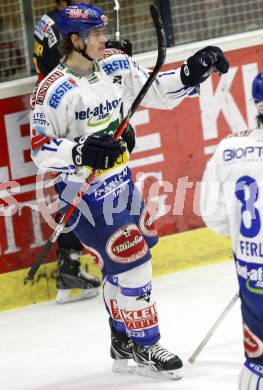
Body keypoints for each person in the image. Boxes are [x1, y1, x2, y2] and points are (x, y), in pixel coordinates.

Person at [30, 2, 229, 378]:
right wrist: (80, 150)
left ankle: (121, 339)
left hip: (123, 184)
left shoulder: (115, 64)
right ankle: (145, 344)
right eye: (96, 34)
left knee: (129, 260)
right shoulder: (52, 91)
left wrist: (192, 71)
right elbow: (40, 149)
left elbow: (157, 91)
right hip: (85, 195)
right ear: (75, 40)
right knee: (135, 262)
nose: (105, 39)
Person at [32, 0, 134, 304]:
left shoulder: (52, 20)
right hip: (64, 109)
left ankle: (73, 261)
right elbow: (65, 61)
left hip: (79, 99)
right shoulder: (55, 24)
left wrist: (107, 51)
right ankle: (71, 261)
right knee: (78, 184)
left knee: (87, 182)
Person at [200, 72, 263, 389]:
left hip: (251, 267)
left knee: (258, 361)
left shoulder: (229, 149)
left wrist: (243, 241)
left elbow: (210, 211)